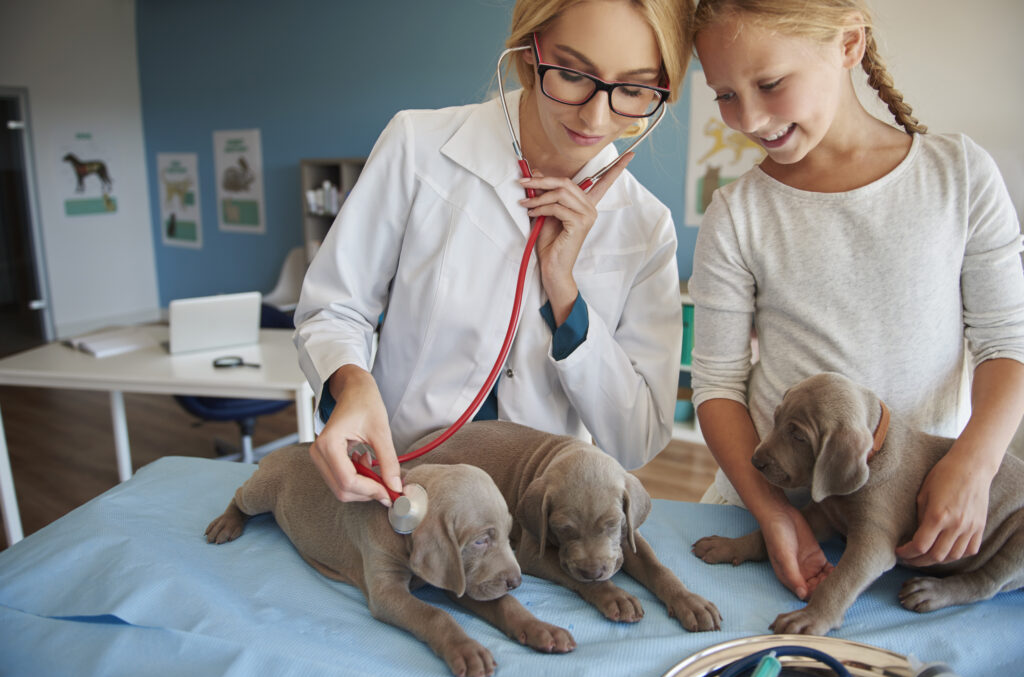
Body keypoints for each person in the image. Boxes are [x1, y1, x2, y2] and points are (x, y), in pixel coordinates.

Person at [294, 0, 693, 507]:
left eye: (633, 90)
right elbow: (333, 309)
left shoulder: (645, 226)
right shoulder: (419, 147)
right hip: (401, 481)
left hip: (541, 508)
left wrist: (564, 292)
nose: (596, 116)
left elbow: (636, 438)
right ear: (529, 54)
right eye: (572, 74)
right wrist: (349, 384)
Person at [688, 0, 1024, 600]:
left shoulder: (960, 175)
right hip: (775, 507)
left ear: (848, 44)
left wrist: (974, 466)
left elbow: (1007, 343)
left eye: (769, 83)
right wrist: (774, 513)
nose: (749, 117)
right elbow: (716, 385)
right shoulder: (737, 214)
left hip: (920, 517)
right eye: (724, 94)